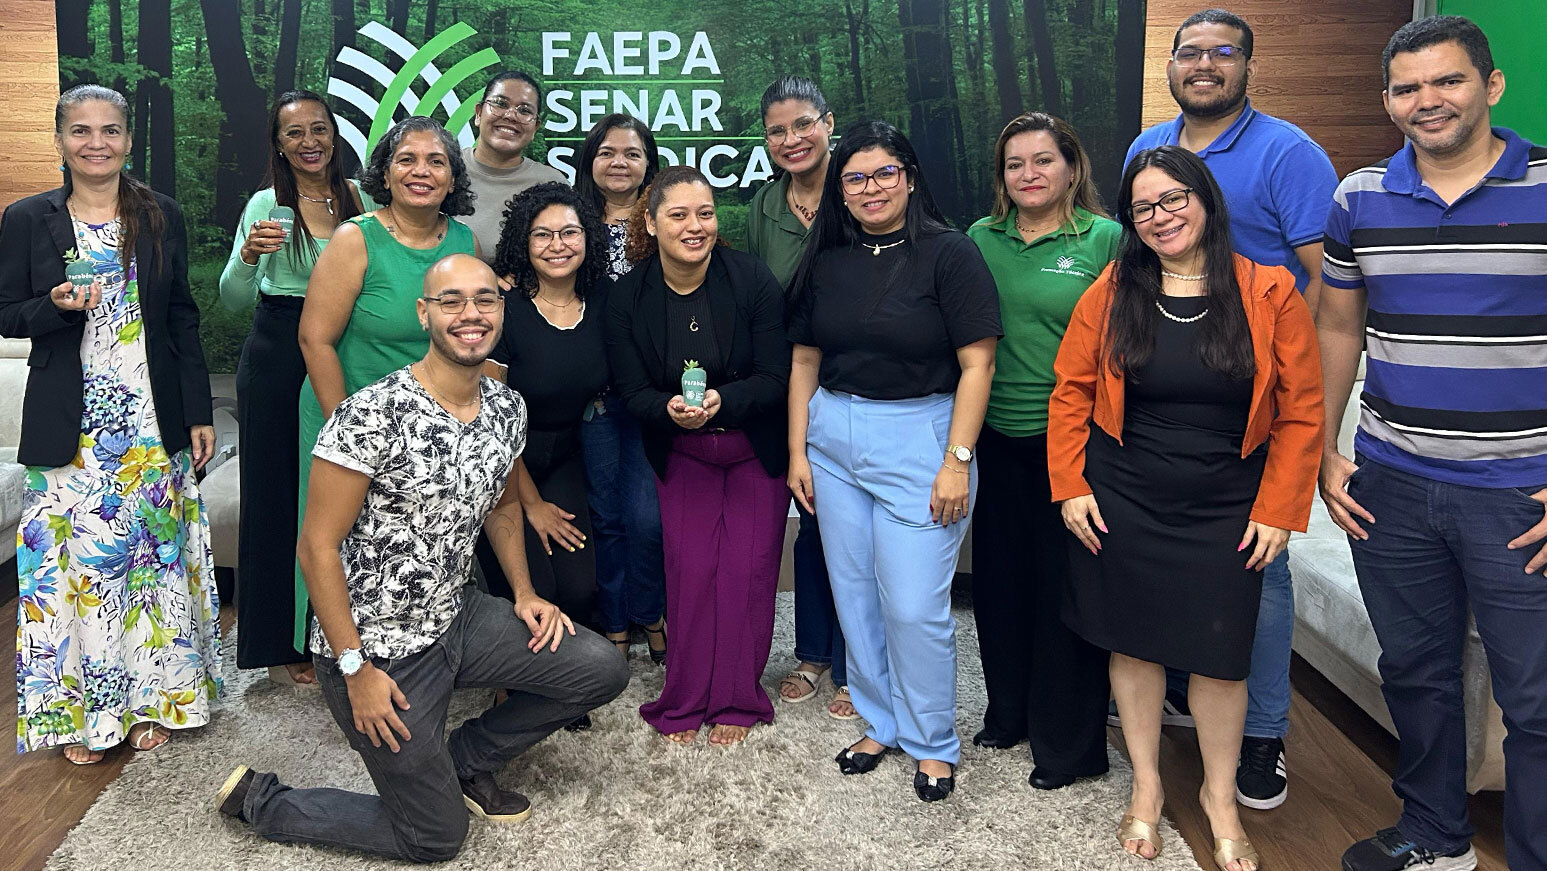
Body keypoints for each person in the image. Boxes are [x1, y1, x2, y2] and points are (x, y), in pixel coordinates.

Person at [217, 254, 629, 864]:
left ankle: (464, 757)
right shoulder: (370, 414)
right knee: (433, 837)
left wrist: (524, 592)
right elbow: (315, 546)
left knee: (600, 669)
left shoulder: (505, 407)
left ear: (502, 311)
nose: (470, 314)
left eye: (484, 300)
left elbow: (502, 505)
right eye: (451, 301)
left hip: (458, 615)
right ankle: (264, 801)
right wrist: (355, 670)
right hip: (375, 649)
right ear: (423, 313)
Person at [1048, 146, 1322, 870]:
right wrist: (1070, 484)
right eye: (1143, 207)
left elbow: (1302, 412)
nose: (1160, 216)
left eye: (1173, 199)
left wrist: (1280, 508)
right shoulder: (1113, 289)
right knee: (1133, 643)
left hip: (1230, 502)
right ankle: (1145, 784)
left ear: (1205, 201)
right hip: (1123, 494)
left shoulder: (1270, 291)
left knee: (1221, 656)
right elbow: (1071, 389)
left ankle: (1218, 796)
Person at [1321, 17, 1547, 871]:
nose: (1427, 100)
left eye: (1446, 80)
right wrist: (1322, 449)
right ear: (1387, 101)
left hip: (1520, 494)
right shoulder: (1359, 196)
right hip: (1391, 481)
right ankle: (1434, 832)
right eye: (1406, 87)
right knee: (1415, 671)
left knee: (1535, 700)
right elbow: (1336, 327)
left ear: (1489, 86)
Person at [1123, 7, 1339, 811]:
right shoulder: (1147, 148)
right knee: (1168, 562)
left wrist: (1283, 367)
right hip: (1164, 389)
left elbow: (1329, 281)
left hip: (1250, 398)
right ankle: (1186, 691)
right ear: (1171, 64)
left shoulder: (1288, 152)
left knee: (1258, 568)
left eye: (1222, 52)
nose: (1204, 64)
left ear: (1248, 65)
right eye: (1190, 52)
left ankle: (1263, 731)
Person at [2, 84, 222, 763]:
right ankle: (83, 717)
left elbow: (181, 316)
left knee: (150, 568)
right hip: (69, 430)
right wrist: (53, 306)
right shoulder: (27, 218)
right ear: (60, 139)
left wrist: (197, 411)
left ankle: (157, 700)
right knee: (74, 574)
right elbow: (6, 313)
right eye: (81, 130)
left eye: (110, 130)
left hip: (151, 424)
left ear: (128, 140)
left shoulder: (161, 215)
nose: (95, 143)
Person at [787, 121, 1001, 801]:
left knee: (912, 606)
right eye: (855, 178)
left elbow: (978, 364)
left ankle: (932, 741)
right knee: (855, 597)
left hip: (922, 438)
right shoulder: (827, 258)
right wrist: (797, 450)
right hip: (833, 439)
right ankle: (880, 722)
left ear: (908, 177)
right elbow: (804, 360)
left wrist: (957, 460)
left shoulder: (950, 253)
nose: (870, 188)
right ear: (840, 190)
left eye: (884, 173)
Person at [607, 165, 791, 746]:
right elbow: (631, 391)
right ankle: (684, 698)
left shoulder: (751, 278)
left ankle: (737, 699)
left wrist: (722, 401)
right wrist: (668, 409)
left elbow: (777, 376)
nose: (695, 226)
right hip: (682, 452)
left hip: (753, 451)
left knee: (747, 574)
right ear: (650, 222)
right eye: (679, 214)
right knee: (690, 576)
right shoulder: (627, 297)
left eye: (705, 213)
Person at [964, 112, 1121, 789]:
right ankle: (1007, 714)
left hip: (1074, 448)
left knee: (1066, 595)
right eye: (1014, 164)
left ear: (1072, 167)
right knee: (1000, 586)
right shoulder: (979, 238)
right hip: (993, 441)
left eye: (1043, 160)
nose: (1028, 174)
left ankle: (1067, 747)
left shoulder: (1106, 239)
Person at [292, 116, 477, 651]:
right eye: (407, 160)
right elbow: (315, 340)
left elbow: (465, 334)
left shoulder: (463, 239)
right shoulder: (356, 239)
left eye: (436, 162)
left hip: (425, 421)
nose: (421, 171)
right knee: (341, 541)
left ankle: (417, 646)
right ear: (386, 173)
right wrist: (347, 431)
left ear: (452, 178)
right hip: (345, 412)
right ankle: (338, 655)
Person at [220, 89, 370, 688]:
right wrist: (248, 257)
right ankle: (282, 639)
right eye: (294, 133)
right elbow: (233, 300)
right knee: (279, 496)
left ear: (335, 134)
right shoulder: (268, 204)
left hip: (346, 349)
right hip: (280, 353)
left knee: (344, 497)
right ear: (278, 145)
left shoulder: (361, 197)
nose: (310, 142)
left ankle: (347, 628)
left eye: (319, 129)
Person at [745, 76, 855, 721]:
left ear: (828, 123)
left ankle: (856, 661)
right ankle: (813, 654)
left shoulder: (862, 186)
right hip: (796, 384)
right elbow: (763, 305)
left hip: (866, 382)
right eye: (777, 131)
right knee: (813, 522)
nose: (792, 139)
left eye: (803, 124)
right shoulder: (764, 206)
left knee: (858, 532)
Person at [480, 183, 608, 627]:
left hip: (566, 456)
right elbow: (492, 425)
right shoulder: (504, 309)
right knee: (538, 590)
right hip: (505, 463)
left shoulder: (604, 301)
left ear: (587, 238)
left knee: (579, 589)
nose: (558, 245)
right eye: (542, 234)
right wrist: (531, 504)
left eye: (569, 232)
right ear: (524, 241)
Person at [572, 114, 668, 663]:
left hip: (655, 395)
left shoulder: (665, 221)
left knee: (647, 520)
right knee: (605, 518)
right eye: (607, 152)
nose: (619, 163)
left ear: (648, 163)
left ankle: (650, 612)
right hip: (597, 397)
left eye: (632, 153)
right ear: (590, 160)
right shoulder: (572, 222)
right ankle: (614, 623)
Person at [461, 71, 567, 263]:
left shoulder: (551, 184)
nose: (511, 115)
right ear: (478, 113)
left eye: (524, 110)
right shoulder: (444, 171)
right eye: (500, 104)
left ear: (535, 127)